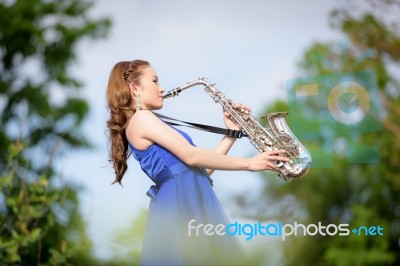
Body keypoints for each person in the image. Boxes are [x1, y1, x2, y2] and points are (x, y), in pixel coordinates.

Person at [105, 59, 289, 266]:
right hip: (180, 204)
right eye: (155, 81)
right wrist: (249, 163)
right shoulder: (142, 119)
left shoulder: (147, 120)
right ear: (134, 88)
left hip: (187, 197)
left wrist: (231, 134)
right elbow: (191, 156)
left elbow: (198, 170)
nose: (161, 87)